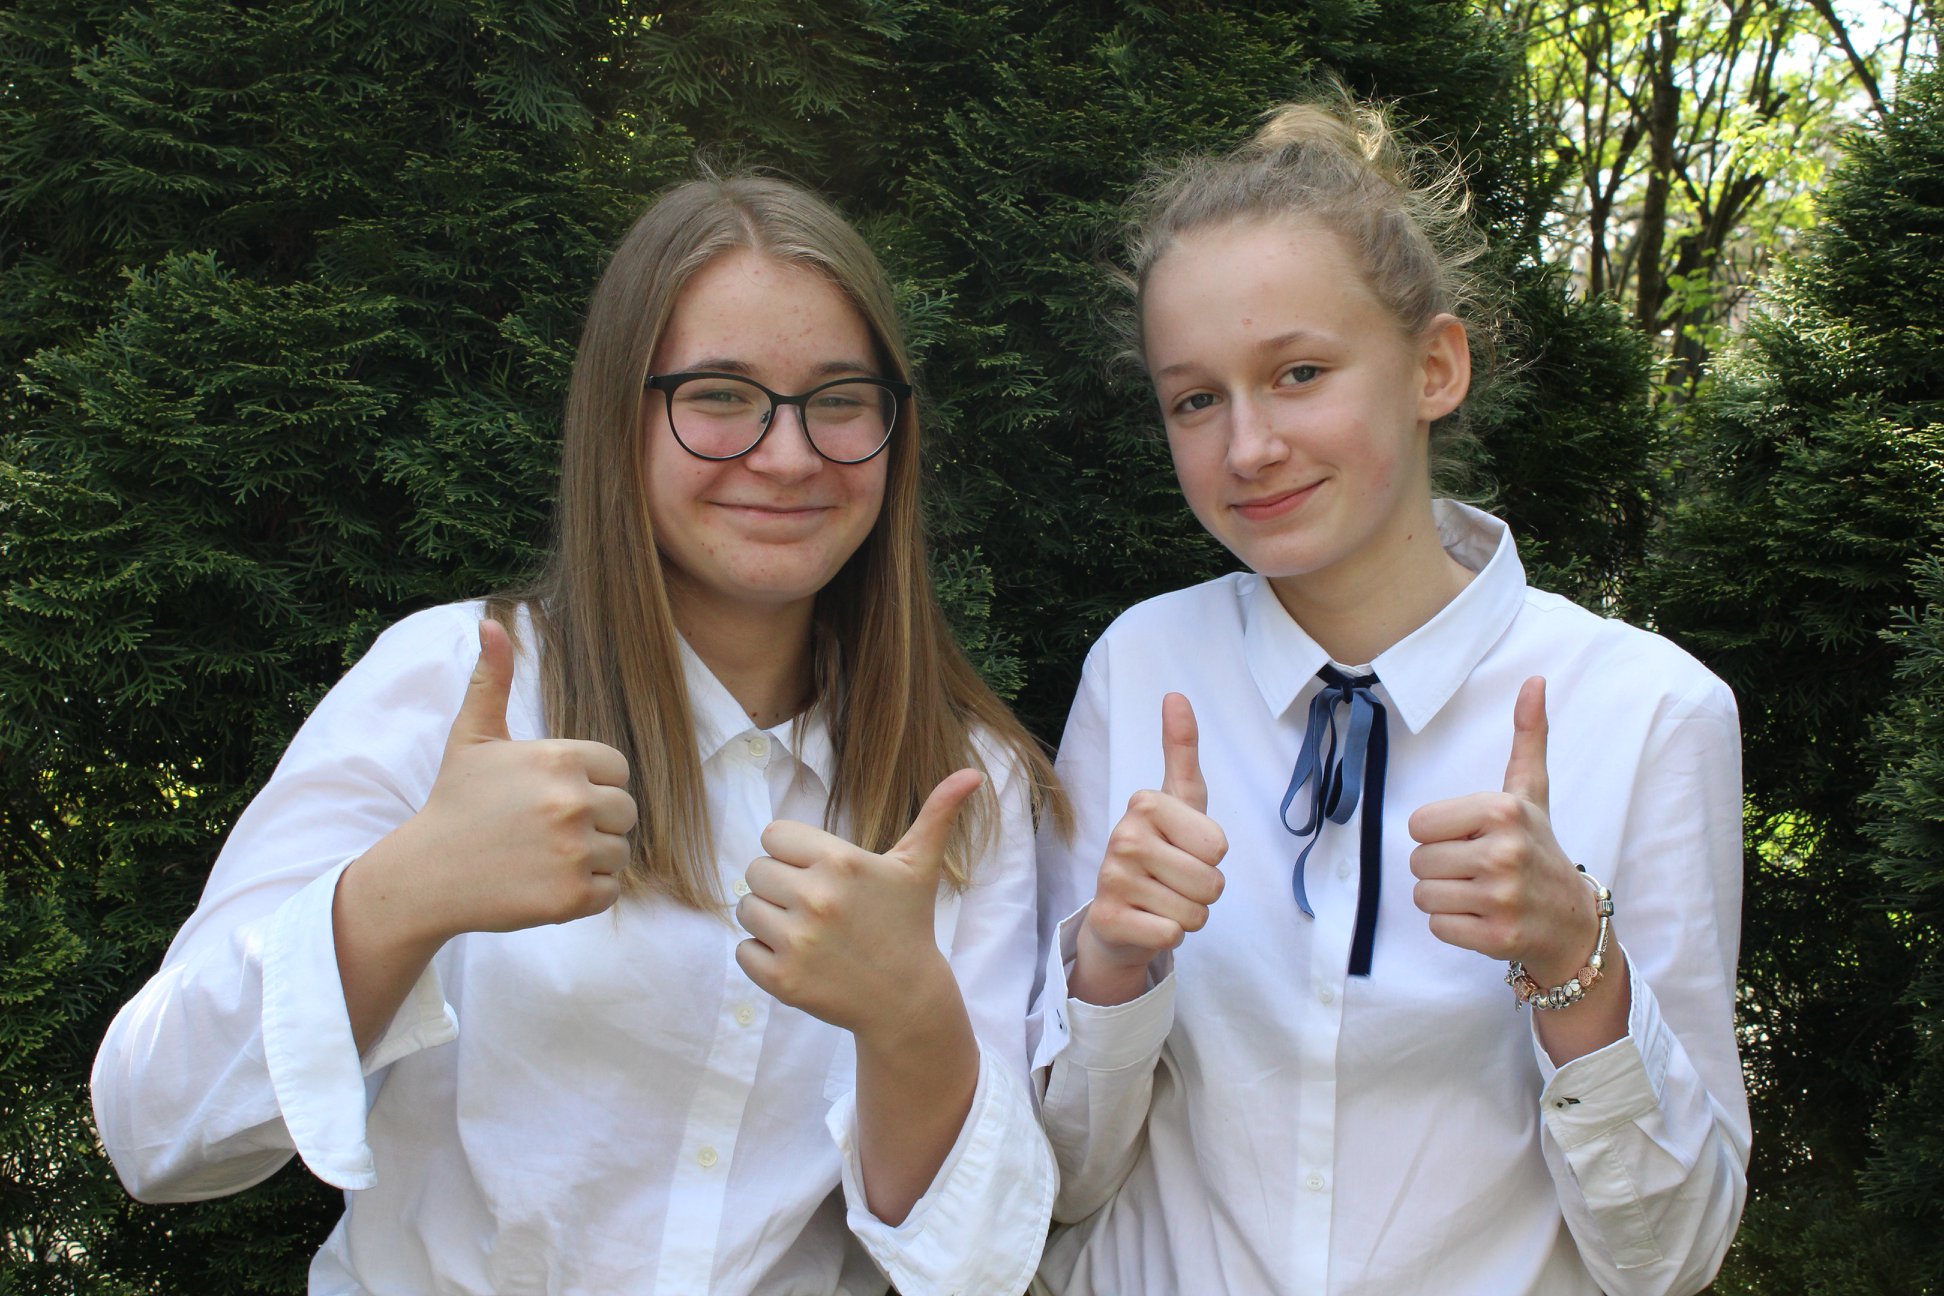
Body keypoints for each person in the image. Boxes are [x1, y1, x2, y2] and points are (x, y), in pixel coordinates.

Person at [92, 173, 1062, 1296]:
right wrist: (402, 894)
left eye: (839, 400)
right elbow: (154, 1128)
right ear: (619, 416)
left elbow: (979, 1269)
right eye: (720, 395)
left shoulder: (965, 782)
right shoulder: (453, 685)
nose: (790, 456)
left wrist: (912, 1021)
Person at [1030, 96, 1748, 1296]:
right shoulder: (1141, 669)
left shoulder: (1650, 712)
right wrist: (1109, 968)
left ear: (1434, 367)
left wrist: (1576, 963)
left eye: (1299, 373)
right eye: (1195, 399)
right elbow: (1054, 1187)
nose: (1248, 446)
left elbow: (1667, 1259)